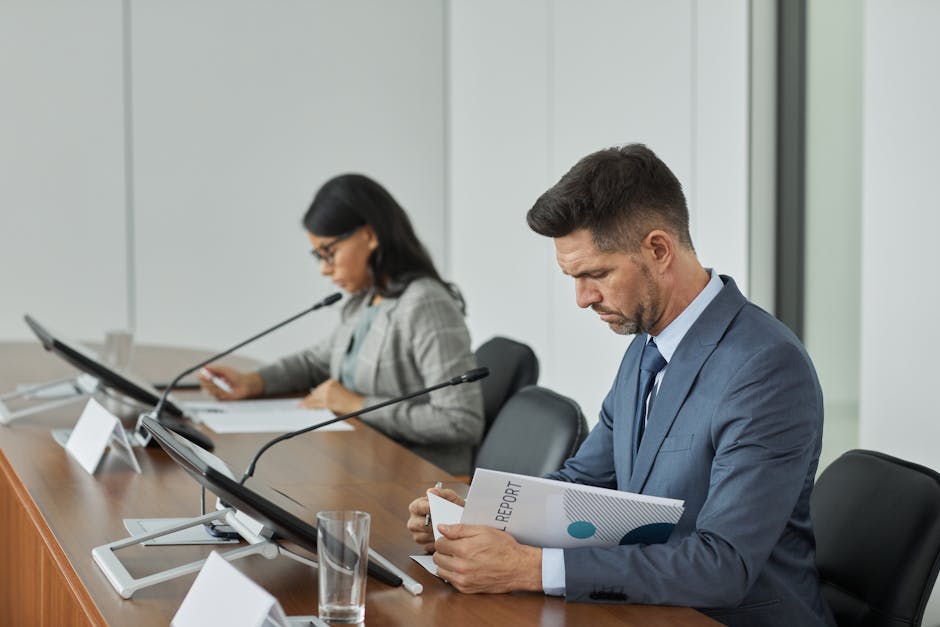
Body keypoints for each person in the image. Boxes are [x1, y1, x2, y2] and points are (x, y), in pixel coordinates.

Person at [407, 144, 835, 626]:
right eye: (572, 277)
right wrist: (477, 518)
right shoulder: (646, 346)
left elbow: (723, 564)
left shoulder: (765, 368)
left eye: (596, 274)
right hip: (647, 609)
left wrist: (529, 567)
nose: (582, 298)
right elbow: (583, 483)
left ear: (658, 249)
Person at [201, 173, 484, 475]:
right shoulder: (367, 299)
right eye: (319, 255)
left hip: (415, 478)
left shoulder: (425, 303)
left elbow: (461, 420)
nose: (324, 269)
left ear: (370, 235)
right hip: (361, 464)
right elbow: (316, 362)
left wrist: (357, 405)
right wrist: (252, 382)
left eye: (330, 252)